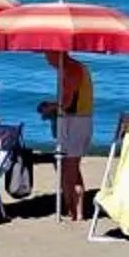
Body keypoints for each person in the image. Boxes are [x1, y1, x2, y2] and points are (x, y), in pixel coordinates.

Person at [46, 49, 95, 219]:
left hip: (77, 122)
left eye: (48, 54)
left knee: (70, 168)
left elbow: (67, 103)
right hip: (75, 120)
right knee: (68, 166)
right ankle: (71, 208)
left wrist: (52, 107)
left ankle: (78, 213)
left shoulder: (72, 70)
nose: (46, 59)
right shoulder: (67, 69)